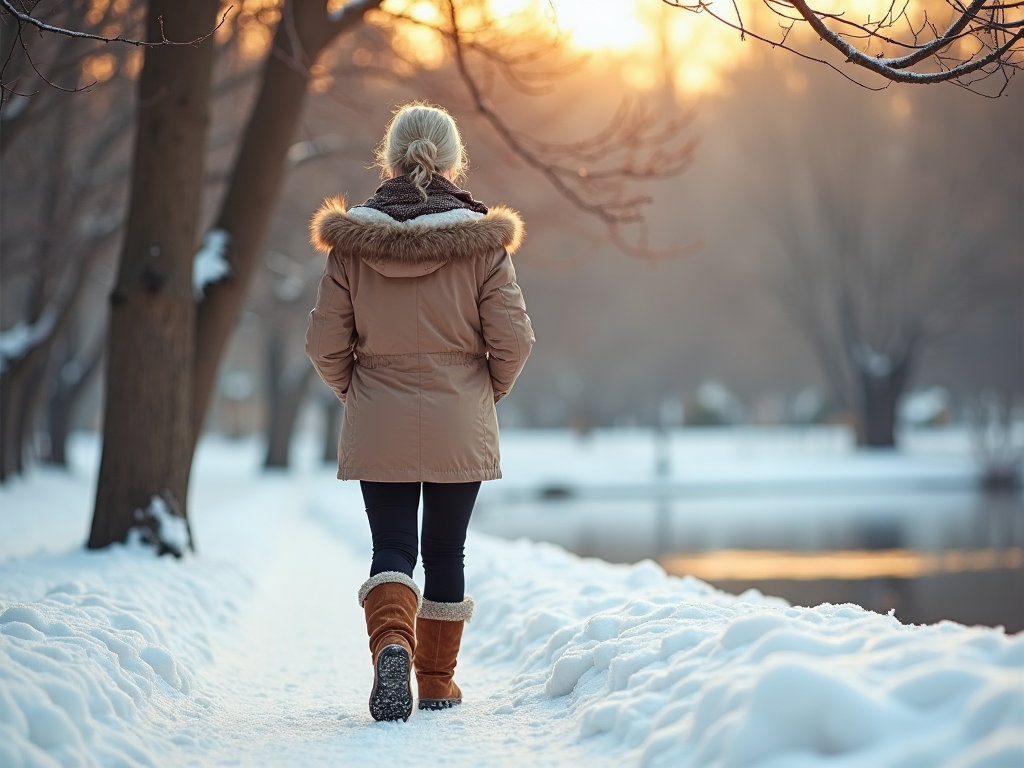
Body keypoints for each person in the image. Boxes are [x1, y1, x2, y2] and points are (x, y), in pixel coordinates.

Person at [305, 103, 535, 722]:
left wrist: (356, 391)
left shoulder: (351, 245)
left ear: (390, 155)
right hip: (461, 412)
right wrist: (485, 391)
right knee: (447, 552)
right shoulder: (483, 244)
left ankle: (392, 648)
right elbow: (513, 339)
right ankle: (435, 682)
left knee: (392, 548)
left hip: (379, 410)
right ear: (453, 157)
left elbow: (324, 344)